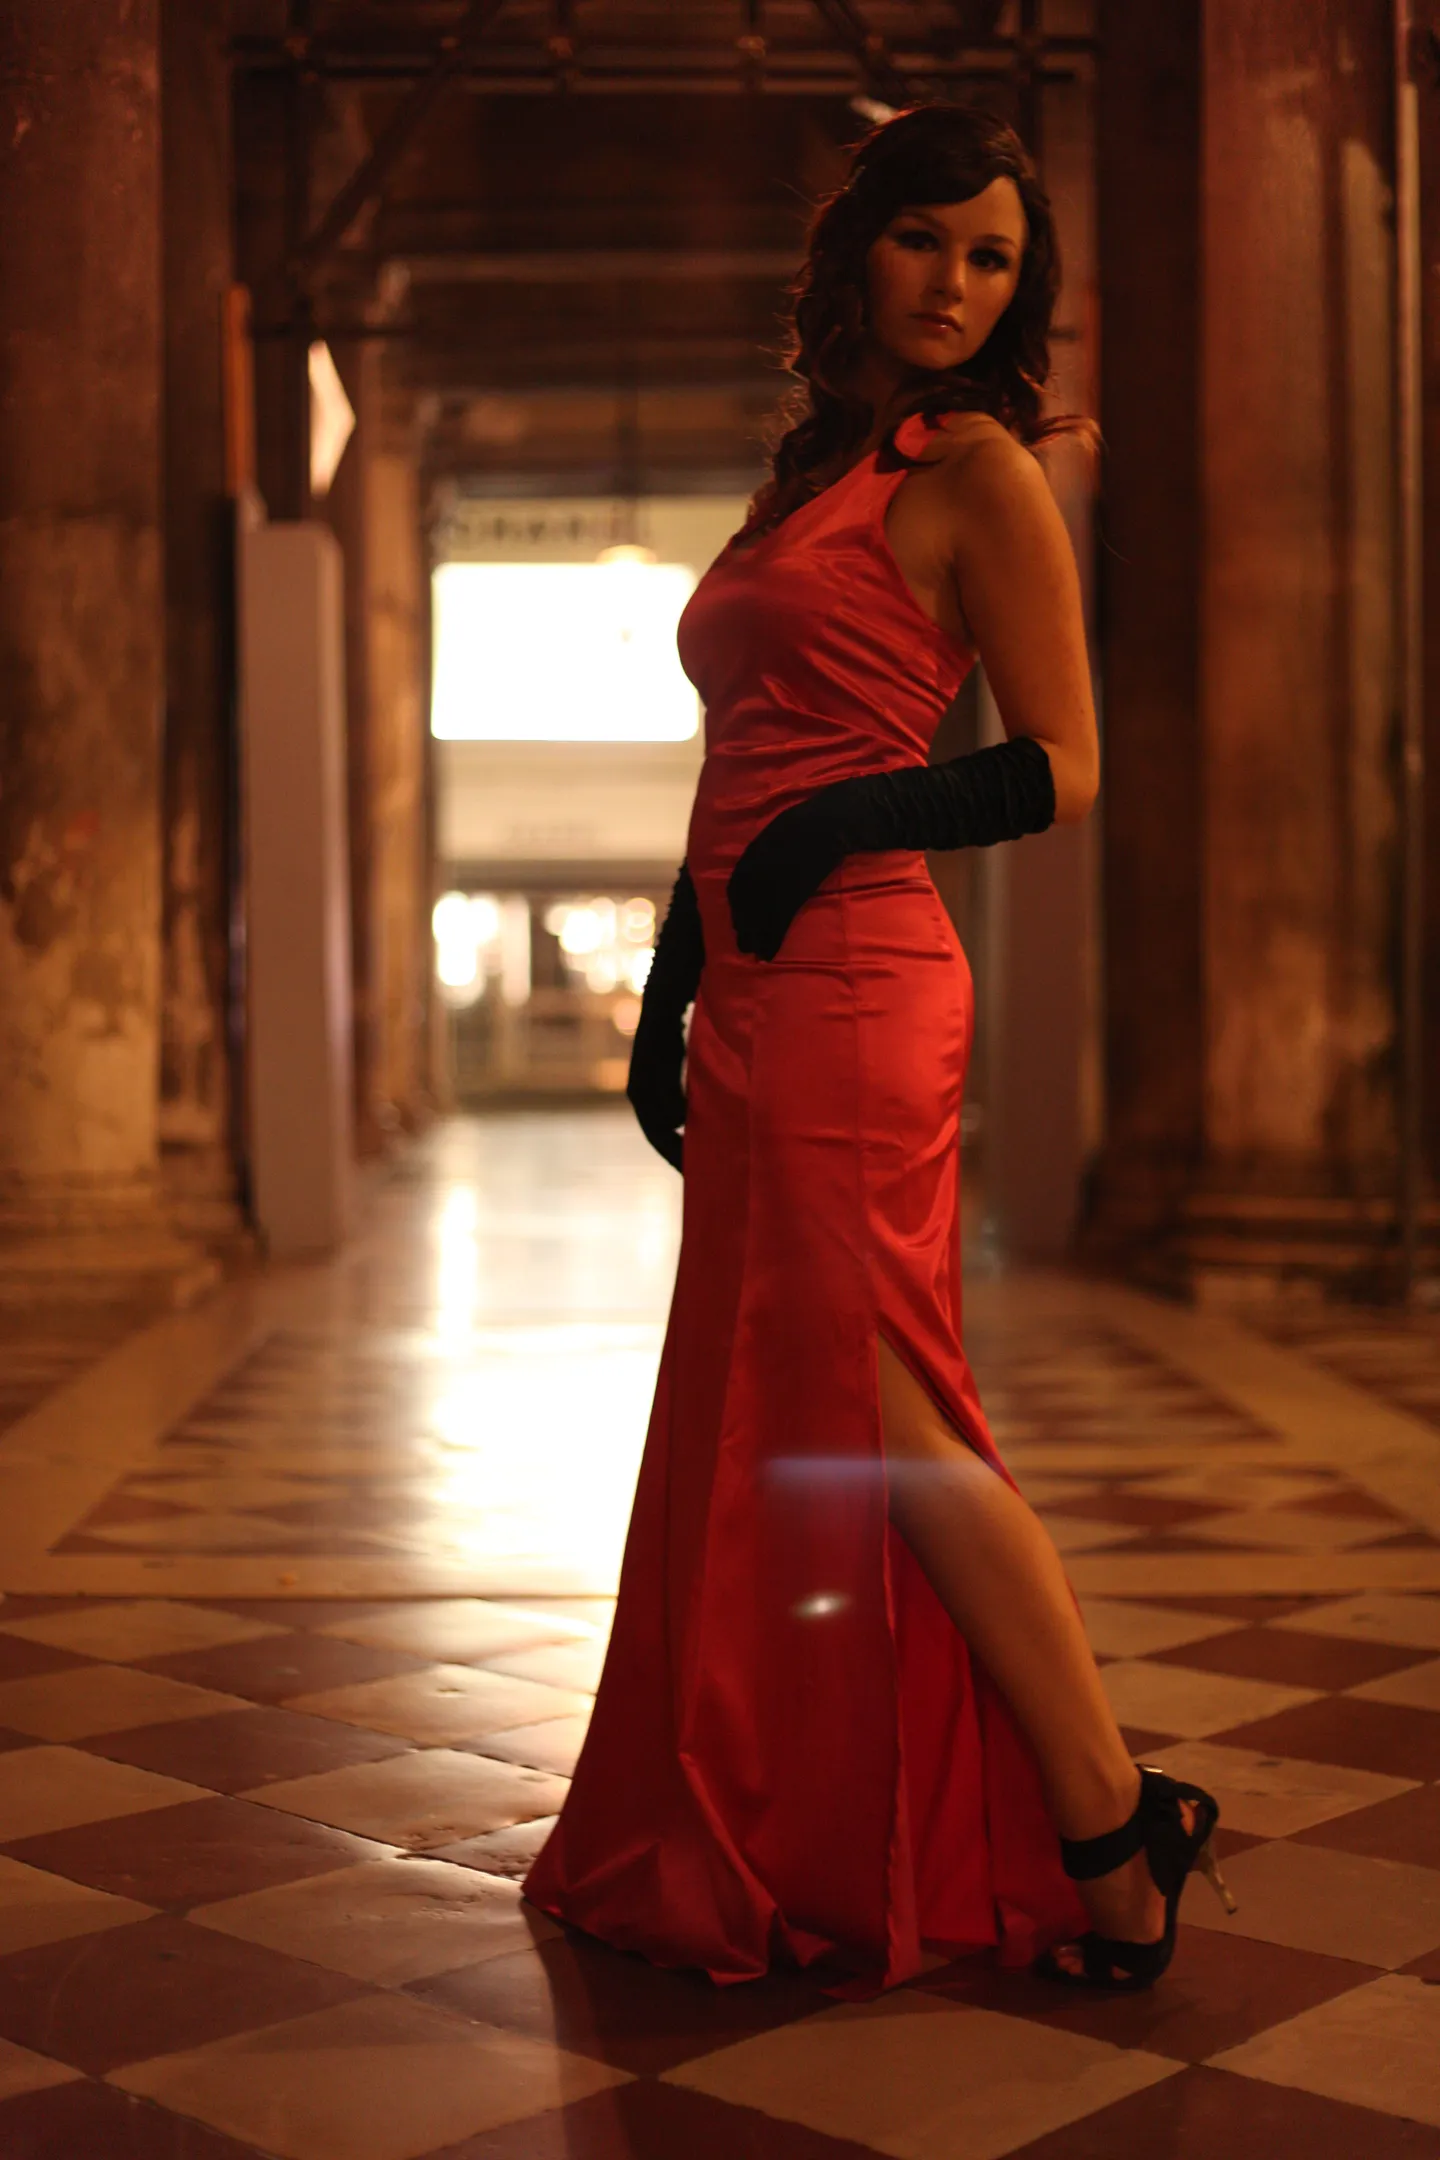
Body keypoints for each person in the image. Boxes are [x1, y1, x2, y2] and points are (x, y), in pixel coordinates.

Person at [525, 103, 1231, 1994]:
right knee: (779, 1406)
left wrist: (850, 820)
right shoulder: (818, 471)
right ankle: (808, 1814)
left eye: (994, 259)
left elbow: (1065, 768)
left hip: (863, 979)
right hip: (765, 984)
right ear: (860, 250)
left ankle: (1113, 1824)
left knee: (884, 1413)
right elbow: (742, 760)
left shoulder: (987, 472)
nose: (955, 284)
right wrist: (675, 980)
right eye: (928, 240)